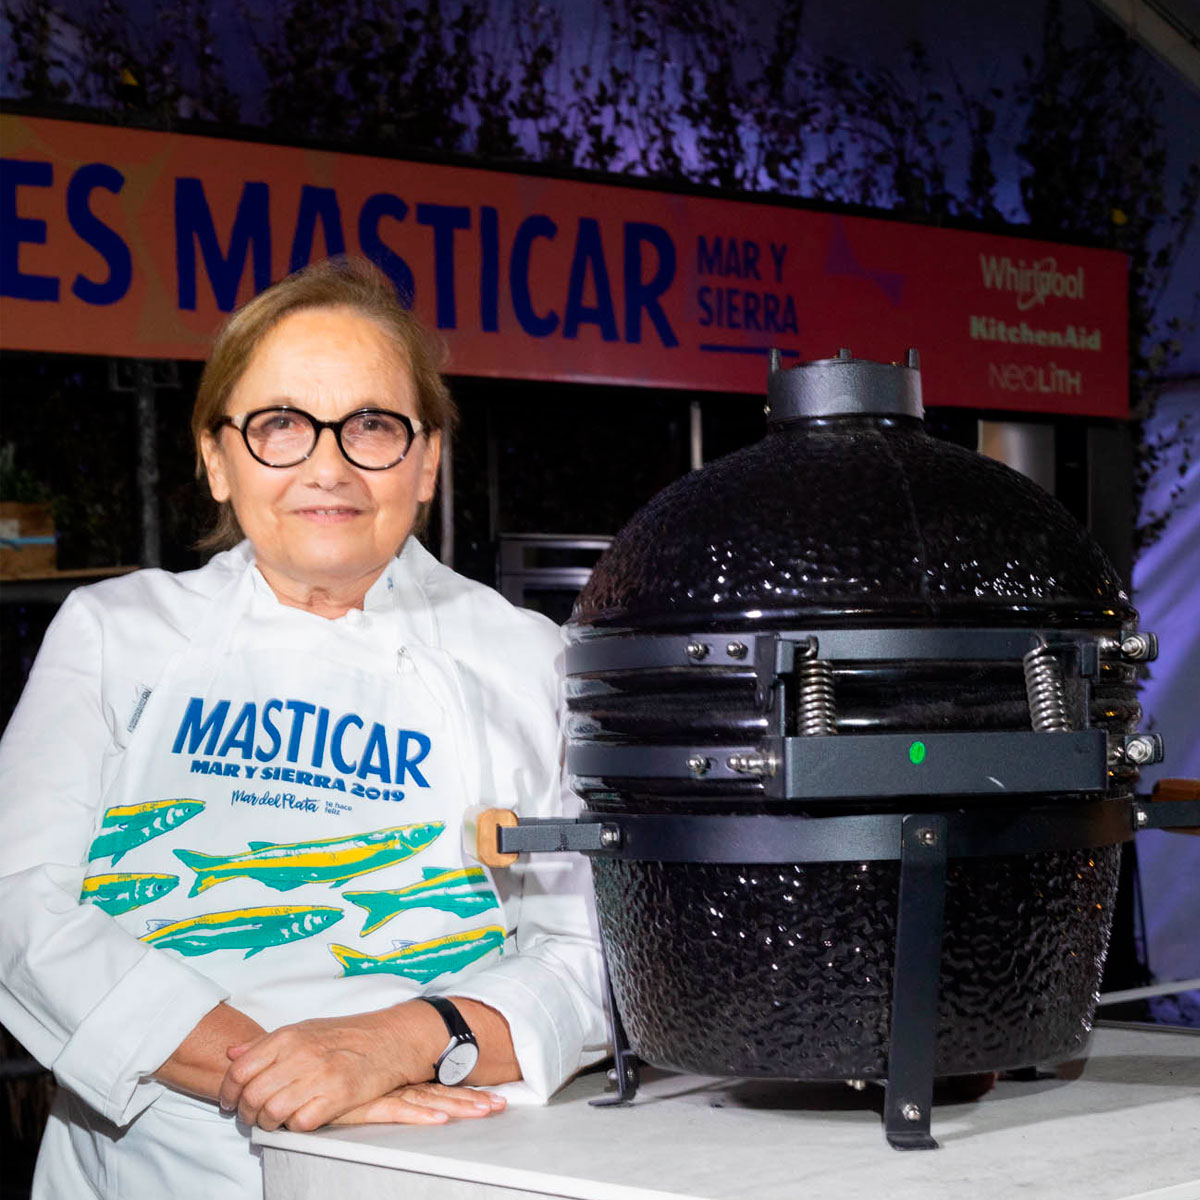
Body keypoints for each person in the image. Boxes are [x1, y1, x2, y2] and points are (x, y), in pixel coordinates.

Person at [0, 257, 607, 1199]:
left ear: (427, 461)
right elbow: (20, 907)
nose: (329, 467)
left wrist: (399, 1043)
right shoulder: (116, 633)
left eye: (372, 425)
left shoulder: (533, 661)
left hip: (441, 1166)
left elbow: (592, 954)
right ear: (216, 459)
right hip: (152, 1169)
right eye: (281, 423)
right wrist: (275, 1074)